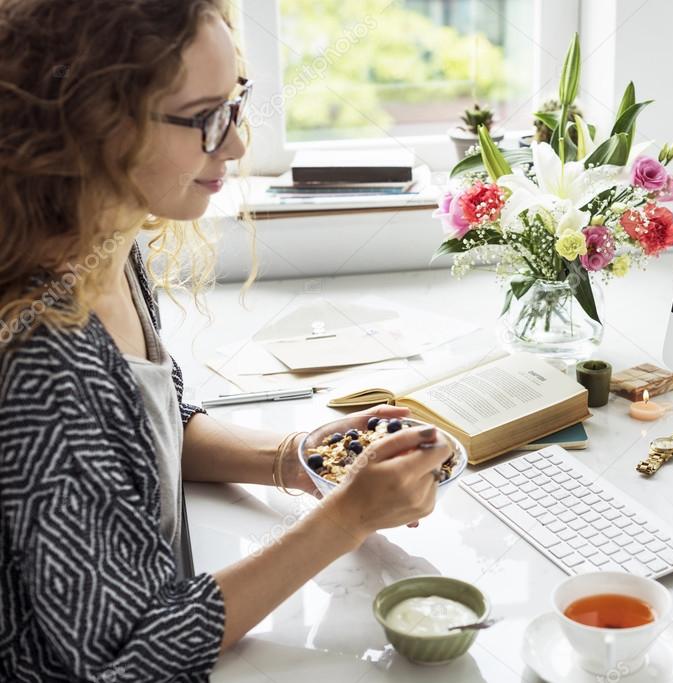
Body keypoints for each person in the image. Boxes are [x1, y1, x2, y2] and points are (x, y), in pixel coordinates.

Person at [0, 2, 452, 680]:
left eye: (236, 104)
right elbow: (125, 655)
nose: (237, 144)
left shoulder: (107, 245)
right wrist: (345, 520)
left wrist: (296, 459)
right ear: (97, 125)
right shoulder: (43, 359)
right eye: (206, 116)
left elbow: (141, 439)